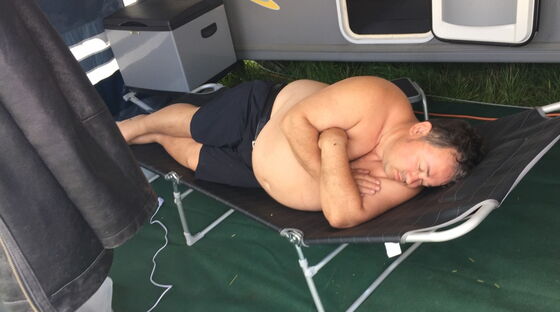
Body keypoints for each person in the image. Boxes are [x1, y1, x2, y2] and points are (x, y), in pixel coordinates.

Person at [118, 76, 483, 228]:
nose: (413, 180)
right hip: (260, 115)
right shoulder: (377, 99)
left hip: (253, 173)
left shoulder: (406, 182)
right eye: (421, 167)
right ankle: (136, 125)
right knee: (197, 126)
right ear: (420, 130)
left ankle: (153, 138)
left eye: (426, 182)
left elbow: (342, 215)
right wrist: (330, 176)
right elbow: (296, 122)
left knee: (190, 158)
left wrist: (332, 144)